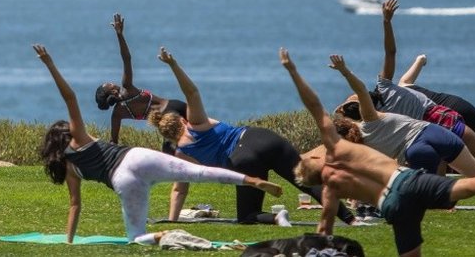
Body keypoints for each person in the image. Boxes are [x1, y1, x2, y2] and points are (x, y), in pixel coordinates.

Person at [280, 48, 475, 257]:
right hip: (430, 140)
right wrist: (302, 71)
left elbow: (326, 227)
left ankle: (443, 205)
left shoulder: (340, 171)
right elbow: (323, 103)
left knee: (417, 227)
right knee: (473, 179)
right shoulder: (370, 120)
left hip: (397, 194)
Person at [34, 44, 282, 243]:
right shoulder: (81, 136)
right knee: (199, 172)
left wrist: (69, 241)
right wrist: (49, 64)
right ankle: (250, 180)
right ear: (65, 133)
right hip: (137, 156)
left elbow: (75, 205)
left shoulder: (69, 167)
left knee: (137, 237)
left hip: (124, 178)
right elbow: (70, 97)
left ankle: (161, 235)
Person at [149, 47, 359, 226]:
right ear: (182, 121)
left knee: (247, 216)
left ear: (165, 135)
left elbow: (179, 190)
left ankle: (277, 218)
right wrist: (173, 65)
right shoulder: (196, 123)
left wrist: (172, 220)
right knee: (305, 180)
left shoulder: (181, 153)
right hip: (261, 136)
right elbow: (192, 93)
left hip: (244, 160)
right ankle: (350, 219)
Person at [338, 0, 475, 182]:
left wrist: (387, 23)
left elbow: (390, 53)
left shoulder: (382, 103)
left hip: (439, 119)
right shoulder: (382, 100)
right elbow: (390, 54)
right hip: (436, 123)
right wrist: (387, 22)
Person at [328, 54, 475, 208]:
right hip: (436, 131)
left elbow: (373, 174)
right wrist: (345, 71)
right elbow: (361, 90)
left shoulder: (364, 138)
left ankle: (445, 204)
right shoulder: (375, 116)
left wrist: (355, 201)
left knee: (422, 192)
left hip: (417, 148)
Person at [94, 13, 186, 153]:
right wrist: (120, 34)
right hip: (174, 107)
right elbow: (127, 58)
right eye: (110, 84)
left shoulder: (117, 113)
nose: (112, 82)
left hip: (165, 123)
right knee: (204, 132)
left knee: (174, 156)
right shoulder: (126, 87)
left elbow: (114, 142)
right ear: (112, 92)